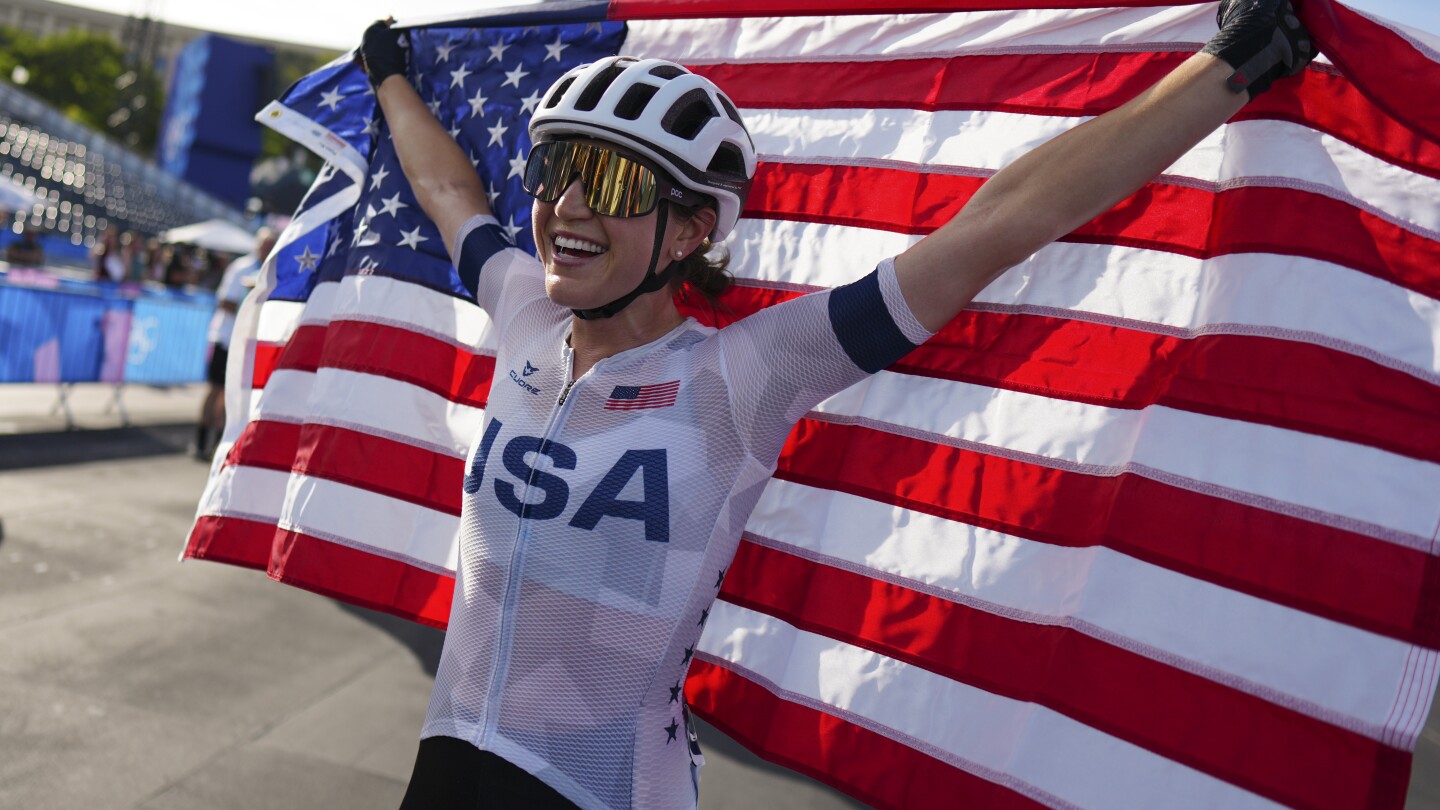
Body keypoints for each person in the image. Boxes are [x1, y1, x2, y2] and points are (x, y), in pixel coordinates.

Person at [360, 2, 1313, 807]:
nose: (567, 207)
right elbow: (449, 190)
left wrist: (1230, 69)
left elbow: (1000, 225)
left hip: (600, 788)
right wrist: (390, 76)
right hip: (444, 764)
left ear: (694, 228)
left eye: (610, 183)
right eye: (556, 172)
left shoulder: (743, 375)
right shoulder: (523, 309)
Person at [194, 228, 276, 459]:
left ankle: (218, 444)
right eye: (266, 244)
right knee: (215, 390)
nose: (268, 249)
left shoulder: (272, 271)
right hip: (227, 338)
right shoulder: (241, 267)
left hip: (247, 343)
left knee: (230, 395)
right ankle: (201, 441)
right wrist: (249, 303)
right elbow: (224, 301)